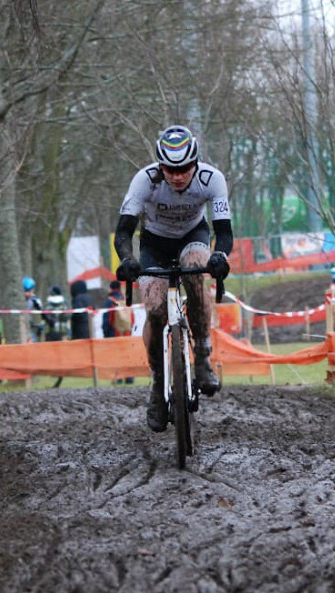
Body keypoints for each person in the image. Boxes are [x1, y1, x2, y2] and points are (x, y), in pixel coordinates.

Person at [114, 124, 233, 432]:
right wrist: (127, 260)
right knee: (154, 310)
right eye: (170, 169)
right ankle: (157, 385)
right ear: (160, 165)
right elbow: (124, 230)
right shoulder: (145, 180)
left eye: (184, 169)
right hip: (154, 242)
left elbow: (223, 231)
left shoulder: (212, 179)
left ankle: (203, 356)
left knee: (196, 269)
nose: (177, 176)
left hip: (193, 235)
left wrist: (220, 256)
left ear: (195, 164)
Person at [23, 277, 45, 342]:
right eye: (26, 291)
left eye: (31, 291)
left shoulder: (34, 299)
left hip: (28, 325)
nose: (29, 294)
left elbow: (43, 312)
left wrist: (41, 324)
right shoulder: (19, 299)